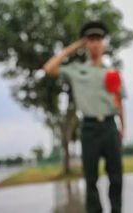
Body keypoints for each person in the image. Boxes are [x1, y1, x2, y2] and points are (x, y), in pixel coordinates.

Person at [43, 22, 126, 213]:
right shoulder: (76, 70)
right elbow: (49, 68)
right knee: (91, 178)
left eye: (98, 40)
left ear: (103, 44)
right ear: (86, 44)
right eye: (91, 40)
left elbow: (119, 102)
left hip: (110, 126)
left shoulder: (112, 72)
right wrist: (73, 47)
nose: (95, 44)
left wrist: (123, 128)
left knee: (116, 176)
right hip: (89, 128)